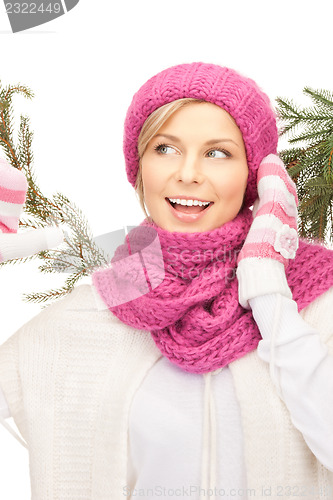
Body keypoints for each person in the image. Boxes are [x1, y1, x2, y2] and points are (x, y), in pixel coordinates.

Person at [0, 62, 332, 500]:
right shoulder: (88, 313)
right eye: (165, 148)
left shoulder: (317, 302)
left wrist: (269, 287)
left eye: (218, 153)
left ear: (254, 175)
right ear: (139, 167)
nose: (189, 173)